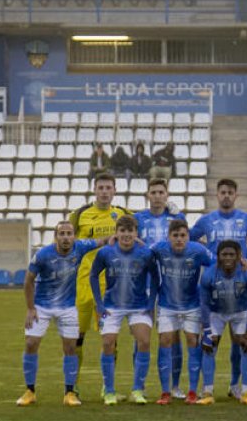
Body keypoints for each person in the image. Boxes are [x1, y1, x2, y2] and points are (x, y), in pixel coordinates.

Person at [16, 221, 118, 408]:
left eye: (69, 233)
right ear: (56, 236)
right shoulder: (43, 255)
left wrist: (119, 236)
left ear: (74, 236)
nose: (65, 237)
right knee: (31, 343)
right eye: (61, 233)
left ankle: (69, 393)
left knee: (71, 347)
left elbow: (101, 241)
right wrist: (30, 308)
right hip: (42, 306)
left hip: (68, 307)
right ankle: (30, 391)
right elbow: (28, 280)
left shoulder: (80, 248)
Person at [190, 178, 247, 398]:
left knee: (239, 341)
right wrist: (209, 259)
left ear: (236, 195)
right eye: (223, 192)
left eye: (230, 192)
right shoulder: (205, 221)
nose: (226, 195)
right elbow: (191, 242)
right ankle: (208, 389)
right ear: (217, 194)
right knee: (211, 341)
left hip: (239, 281)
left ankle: (235, 386)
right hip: (215, 284)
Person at [69, 172, 133, 396]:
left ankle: (108, 386)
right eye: (101, 188)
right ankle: (72, 386)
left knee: (110, 339)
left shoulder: (123, 214)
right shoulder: (79, 215)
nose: (105, 192)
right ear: (94, 190)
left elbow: (141, 229)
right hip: (83, 284)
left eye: (109, 188)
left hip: (112, 287)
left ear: (115, 190)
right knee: (77, 336)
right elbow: (66, 243)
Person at [89, 215, 160, 406]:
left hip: (139, 306)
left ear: (136, 233)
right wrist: (99, 303)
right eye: (122, 231)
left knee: (144, 341)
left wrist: (151, 302)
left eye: (130, 231)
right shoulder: (105, 253)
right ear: (117, 232)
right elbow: (93, 275)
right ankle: (109, 391)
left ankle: (138, 389)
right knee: (107, 344)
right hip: (111, 306)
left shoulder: (145, 253)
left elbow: (155, 277)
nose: (126, 235)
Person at [150, 219, 215, 405]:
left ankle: (192, 391)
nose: (179, 239)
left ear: (188, 236)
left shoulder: (198, 250)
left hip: (192, 305)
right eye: (175, 235)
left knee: (193, 341)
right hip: (166, 305)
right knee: (165, 341)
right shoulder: (159, 248)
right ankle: (165, 392)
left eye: (183, 235)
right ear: (169, 236)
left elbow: (216, 263)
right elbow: (142, 253)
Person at [135, 178, 188, 397]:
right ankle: (140, 385)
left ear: (167, 195)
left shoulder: (176, 218)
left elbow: (184, 242)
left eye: (161, 192)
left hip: (169, 283)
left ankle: (174, 386)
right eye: (153, 192)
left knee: (173, 336)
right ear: (148, 195)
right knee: (141, 336)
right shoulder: (137, 219)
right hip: (143, 283)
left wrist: (180, 215)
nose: (157, 195)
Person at [198, 240, 247, 406]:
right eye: (224, 254)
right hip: (216, 313)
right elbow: (203, 304)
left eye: (232, 254)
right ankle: (207, 392)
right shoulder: (208, 275)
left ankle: (246, 392)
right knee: (209, 346)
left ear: (239, 256)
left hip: (240, 313)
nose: (228, 258)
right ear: (218, 256)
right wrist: (206, 331)